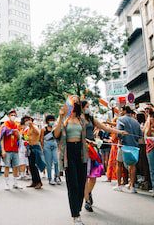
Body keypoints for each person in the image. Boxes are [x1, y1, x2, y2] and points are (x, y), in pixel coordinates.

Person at [81, 100, 127, 213]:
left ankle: (88, 192)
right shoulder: (77, 119)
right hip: (83, 149)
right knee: (85, 176)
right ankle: (87, 201)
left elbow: (105, 128)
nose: (88, 108)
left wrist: (119, 132)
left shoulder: (91, 118)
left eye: (89, 106)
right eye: (86, 106)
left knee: (94, 175)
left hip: (93, 149)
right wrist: (86, 141)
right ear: (81, 108)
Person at [54, 96, 87, 225]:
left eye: (77, 101)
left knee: (81, 183)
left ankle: (77, 208)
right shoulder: (64, 118)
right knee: (73, 184)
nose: (75, 103)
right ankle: (75, 215)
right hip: (68, 153)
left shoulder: (81, 118)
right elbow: (56, 134)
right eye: (73, 101)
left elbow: (98, 126)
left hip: (81, 152)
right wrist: (61, 117)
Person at [114, 106, 142, 193]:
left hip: (123, 145)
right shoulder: (136, 122)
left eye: (121, 110)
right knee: (132, 165)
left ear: (125, 111)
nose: (120, 112)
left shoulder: (121, 119)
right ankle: (132, 186)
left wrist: (120, 141)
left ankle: (119, 185)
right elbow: (140, 135)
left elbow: (119, 133)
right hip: (134, 145)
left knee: (119, 164)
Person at [0, 110, 22, 190]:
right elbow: (1, 138)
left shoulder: (17, 125)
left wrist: (17, 134)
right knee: (7, 166)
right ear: (9, 116)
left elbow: (19, 138)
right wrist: (3, 150)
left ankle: (15, 183)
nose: (13, 116)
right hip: (7, 149)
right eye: (12, 115)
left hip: (15, 149)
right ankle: (6, 184)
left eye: (14, 115)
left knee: (16, 166)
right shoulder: (4, 125)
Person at [23, 115, 46, 189]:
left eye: (28, 120)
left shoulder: (34, 127)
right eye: (25, 120)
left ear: (31, 120)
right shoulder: (28, 128)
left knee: (35, 165)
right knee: (31, 165)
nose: (26, 121)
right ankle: (34, 181)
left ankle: (39, 182)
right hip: (30, 147)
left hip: (35, 147)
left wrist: (31, 125)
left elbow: (37, 133)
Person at [40, 115, 61, 185]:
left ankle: (57, 176)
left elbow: (58, 137)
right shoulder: (43, 129)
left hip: (54, 144)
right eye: (50, 120)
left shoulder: (55, 128)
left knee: (56, 161)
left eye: (52, 120)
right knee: (48, 163)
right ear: (47, 121)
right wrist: (42, 148)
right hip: (47, 145)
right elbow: (41, 139)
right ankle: (50, 178)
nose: (51, 121)